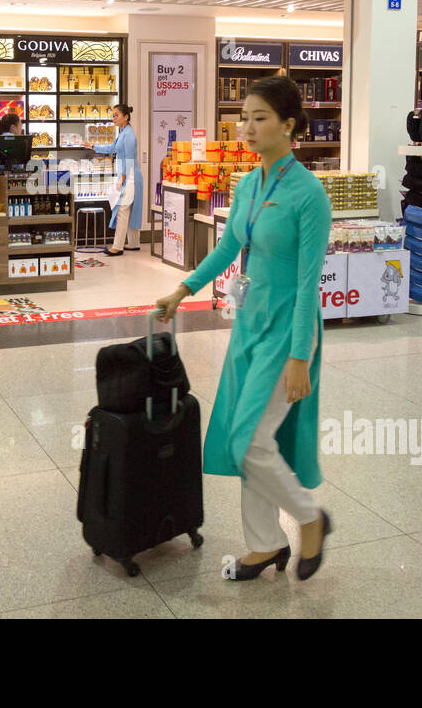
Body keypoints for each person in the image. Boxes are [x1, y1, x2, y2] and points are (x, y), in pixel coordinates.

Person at [154, 76, 333, 582]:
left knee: (249, 438)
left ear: (289, 126)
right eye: (245, 117)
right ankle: (264, 544)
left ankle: (308, 517)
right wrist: (183, 289)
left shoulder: (309, 194)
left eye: (260, 118)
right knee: (251, 435)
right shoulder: (249, 184)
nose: (248, 127)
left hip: (287, 332)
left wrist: (301, 355)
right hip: (248, 325)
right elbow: (229, 249)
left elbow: (306, 283)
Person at [86, 103, 142, 255]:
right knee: (130, 209)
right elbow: (111, 148)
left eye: (116, 115)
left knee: (123, 208)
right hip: (128, 175)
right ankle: (134, 243)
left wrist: (122, 177)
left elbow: (129, 158)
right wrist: (93, 146)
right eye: (113, 115)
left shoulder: (128, 134)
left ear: (126, 117)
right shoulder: (123, 132)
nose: (113, 118)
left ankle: (117, 246)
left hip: (130, 176)